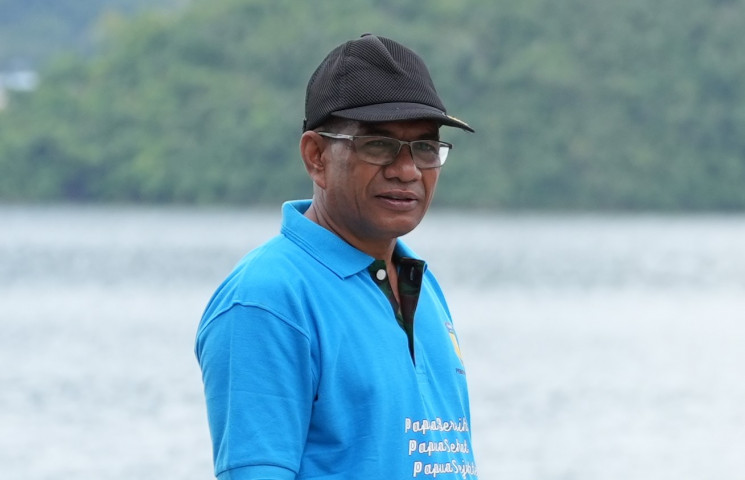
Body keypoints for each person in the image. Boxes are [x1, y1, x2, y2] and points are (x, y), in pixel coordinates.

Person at [195, 33, 478, 480]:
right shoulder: (267, 298)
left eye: (425, 147)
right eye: (379, 144)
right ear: (316, 157)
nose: (407, 170)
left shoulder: (419, 283)